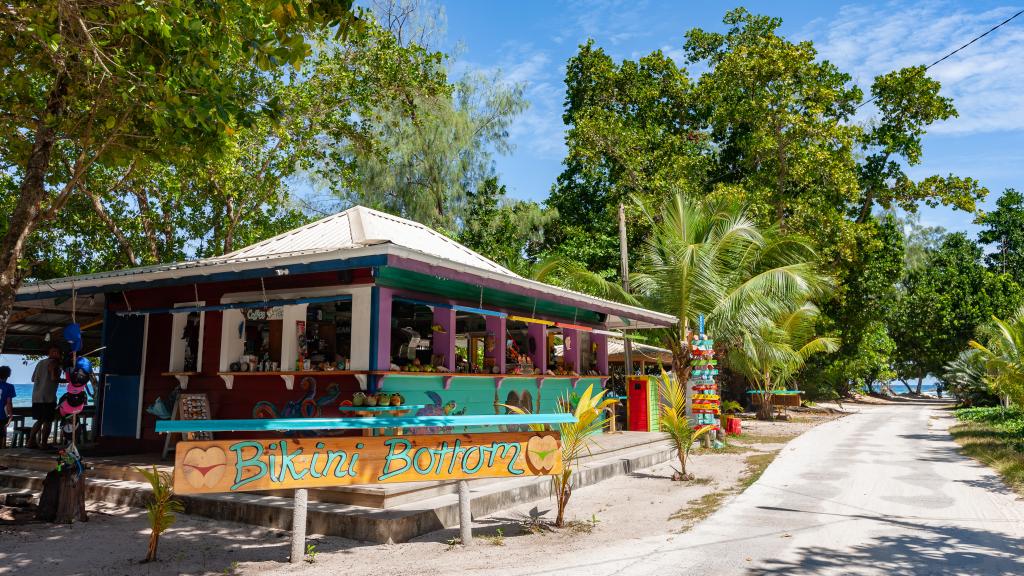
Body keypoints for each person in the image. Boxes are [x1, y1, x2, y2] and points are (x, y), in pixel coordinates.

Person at [30, 347, 60, 449]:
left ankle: (31, 441)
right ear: (55, 353)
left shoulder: (40, 363)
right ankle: (44, 443)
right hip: (48, 396)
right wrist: (68, 381)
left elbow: (33, 378)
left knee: (39, 420)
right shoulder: (54, 363)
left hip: (36, 396)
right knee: (48, 421)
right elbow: (53, 378)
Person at [0, 366, 15, 449]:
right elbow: (9, 402)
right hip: (2, 415)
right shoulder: (9, 387)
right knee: (1, 435)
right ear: (8, 375)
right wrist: (11, 415)